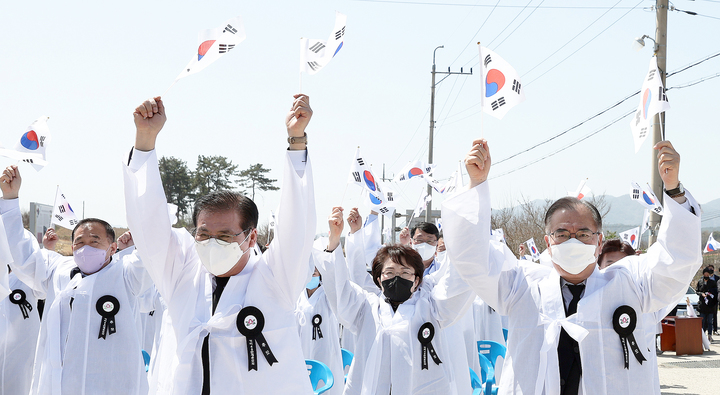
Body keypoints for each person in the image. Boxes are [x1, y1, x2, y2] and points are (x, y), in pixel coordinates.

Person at [443, 139, 701, 395]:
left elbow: (676, 263)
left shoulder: (632, 285)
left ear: (599, 241)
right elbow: (473, 259)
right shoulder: (521, 285)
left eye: (584, 234)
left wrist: (673, 189)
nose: (573, 241)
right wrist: (476, 184)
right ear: (548, 242)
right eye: (562, 234)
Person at [123, 95, 317, 394]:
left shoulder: (275, 278)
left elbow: (297, 227)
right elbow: (147, 223)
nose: (211, 243)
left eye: (225, 236)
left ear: (251, 237)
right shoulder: (180, 273)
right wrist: (145, 140)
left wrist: (296, 142)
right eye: (203, 234)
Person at [0, 166, 152, 395]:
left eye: (95, 241)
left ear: (112, 248)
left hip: (111, 386)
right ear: (71, 247)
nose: (85, 247)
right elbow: (21, 255)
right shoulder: (56, 270)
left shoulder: (127, 275)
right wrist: (11, 200)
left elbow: (154, 248)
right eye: (79, 242)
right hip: (59, 385)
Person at [315, 206, 475, 395]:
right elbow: (340, 288)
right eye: (390, 273)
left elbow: (458, 282)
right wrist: (334, 241)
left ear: (417, 281)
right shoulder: (365, 308)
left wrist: (464, 226)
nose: (397, 278)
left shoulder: (432, 307)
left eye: (405, 272)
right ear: (378, 280)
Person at [296, 262, 344, 395]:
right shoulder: (299, 296)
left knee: (324, 386)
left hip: (325, 349)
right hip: (302, 349)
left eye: (316, 270)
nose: (313, 272)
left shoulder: (328, 295)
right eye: (310, 268)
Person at [697, 267, 718, 342]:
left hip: (710, 305)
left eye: (707, 273)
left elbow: (716, 291)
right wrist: (702, 293)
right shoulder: (700, 282)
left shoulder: (713, 282)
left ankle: (709, 335)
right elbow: (697, 291)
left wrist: (710, 293)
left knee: (710, 321)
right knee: (702, 321)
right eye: (705, 273)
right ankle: (702, 336)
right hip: (703, 305)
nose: (706, 274)